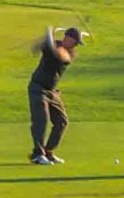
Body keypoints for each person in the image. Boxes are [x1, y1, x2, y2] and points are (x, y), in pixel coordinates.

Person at [28, 25, 86, 165]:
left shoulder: (69, 53)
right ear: (67, 38)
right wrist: (45, 40)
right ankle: (38, 155)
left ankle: (48, 152)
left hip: (52, 91)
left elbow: (61, 55)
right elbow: (35, 48)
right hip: (38, 88)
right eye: (75, 42)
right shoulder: (52, 46)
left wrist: (50, 40)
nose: (75, 45)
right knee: (41, 121)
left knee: (62, 121)